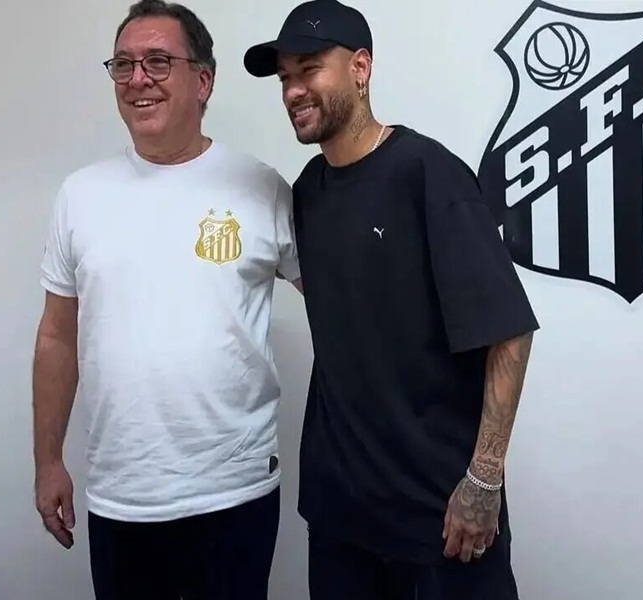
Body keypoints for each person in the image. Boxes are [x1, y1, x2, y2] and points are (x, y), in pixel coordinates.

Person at [243, 1, 540, 598]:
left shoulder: (428, 173)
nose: (293, 91)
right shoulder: (307, 193)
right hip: (340, 517)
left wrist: (484, 480)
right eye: (285, 78)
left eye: (309, 69)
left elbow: (508, 331)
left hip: (440, 519)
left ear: (360, 67)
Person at [32, 1, 301, 598]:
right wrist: (48, 460)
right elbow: (56, 335)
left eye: (158, 61)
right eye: (123, 64)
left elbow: (343, 306)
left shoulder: (260, 188)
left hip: (235, 492)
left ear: (203, 82)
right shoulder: (80, 195)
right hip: (122, 497)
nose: (138, 79)